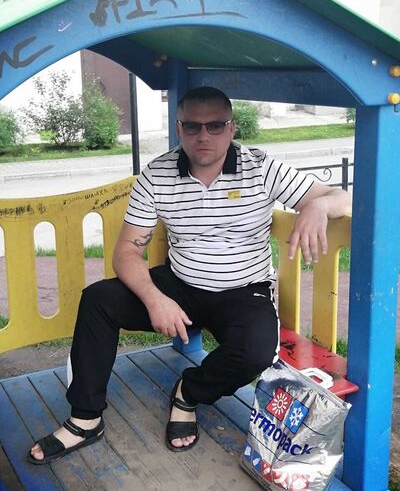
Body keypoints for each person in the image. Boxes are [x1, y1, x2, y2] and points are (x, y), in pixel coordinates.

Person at [28, 86, 352, 463]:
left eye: (216, 126)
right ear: (179, 128)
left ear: (232, 128)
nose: (204, 136)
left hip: (244, 290)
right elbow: (126, 252)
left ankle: (189, 393)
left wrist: (317, 207)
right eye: (193, 126)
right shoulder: (158, 174)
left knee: (256, 352)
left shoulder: (260, 167)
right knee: (99, 300)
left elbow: (341, 197)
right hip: (180, 285)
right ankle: (85, 418)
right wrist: (155, 300)